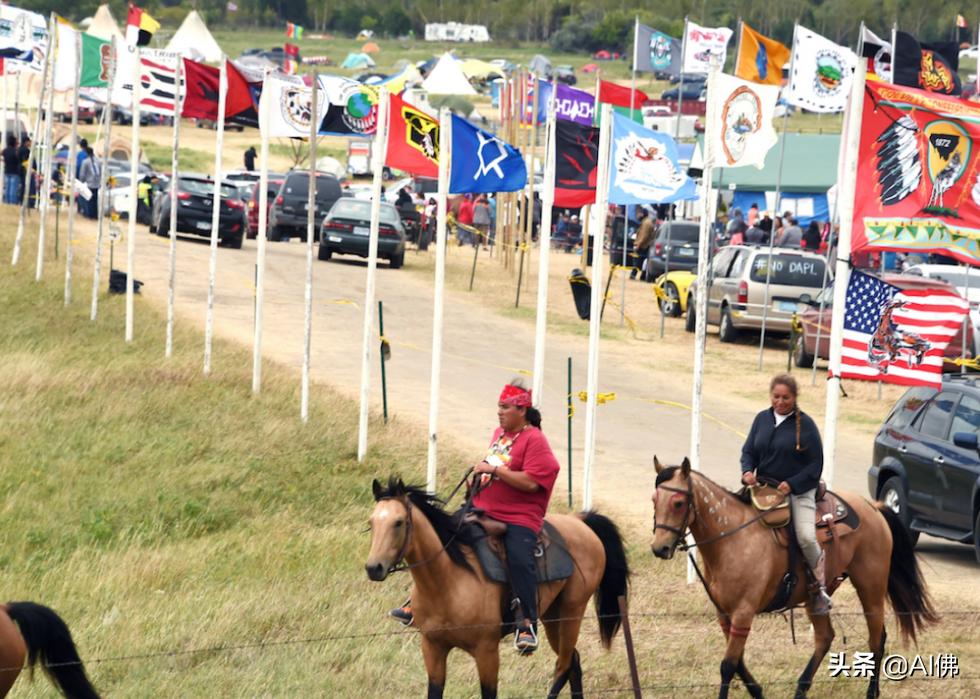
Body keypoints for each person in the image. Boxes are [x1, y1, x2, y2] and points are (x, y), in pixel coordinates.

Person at [391, 380, 561, 655]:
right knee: (442, 539)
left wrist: (495, 472)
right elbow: (494, 466)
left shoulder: (535, 439)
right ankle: (416, 602)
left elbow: (532, 482)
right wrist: (479, 481)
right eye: (499, 406)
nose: (499, 412)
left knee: (519, 558)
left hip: (519, 516)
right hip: (483, 507)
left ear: (521, 410)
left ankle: (526, 623)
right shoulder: (500, 435)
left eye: (505, 407)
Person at [740, 374, 832, 615]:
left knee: (806, 537)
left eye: (786, 398)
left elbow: (815, 465)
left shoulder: (807, 425)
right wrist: (747, 471)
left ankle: (819, 588)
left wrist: (792, 484)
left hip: (798, 491)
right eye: (776, 397)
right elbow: (748, 451)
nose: (780, 402)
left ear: (795, 397)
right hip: (764, 489)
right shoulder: (761, 419)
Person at [78, 146, 101, 219]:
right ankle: (95, 215)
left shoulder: (85, 162)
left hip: (89, 183)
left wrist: (81, 181)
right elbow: (101, 172)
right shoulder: (98, 161)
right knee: (95, 200)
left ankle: (89, 214)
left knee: (88, 199)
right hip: (97, 184)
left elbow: (82, 174)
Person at [632, 207, 655, 279]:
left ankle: (634, 274)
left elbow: (644, 236)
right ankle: (642, 276)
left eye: (640, 213)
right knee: (643, 261)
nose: (638, 215)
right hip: (645, 245)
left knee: (638, 261)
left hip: (643, 246)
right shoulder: (647, 221)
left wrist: (638, 245)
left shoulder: (646, 223)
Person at [2, 135, 19, 204]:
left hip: (7, 171)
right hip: (14, 172)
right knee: (13, 189)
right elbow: (18, 159)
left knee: (7, 188)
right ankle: (12, 203)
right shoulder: (15, 151)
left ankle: (7, 202)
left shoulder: (5, 150)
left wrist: (4, 160)